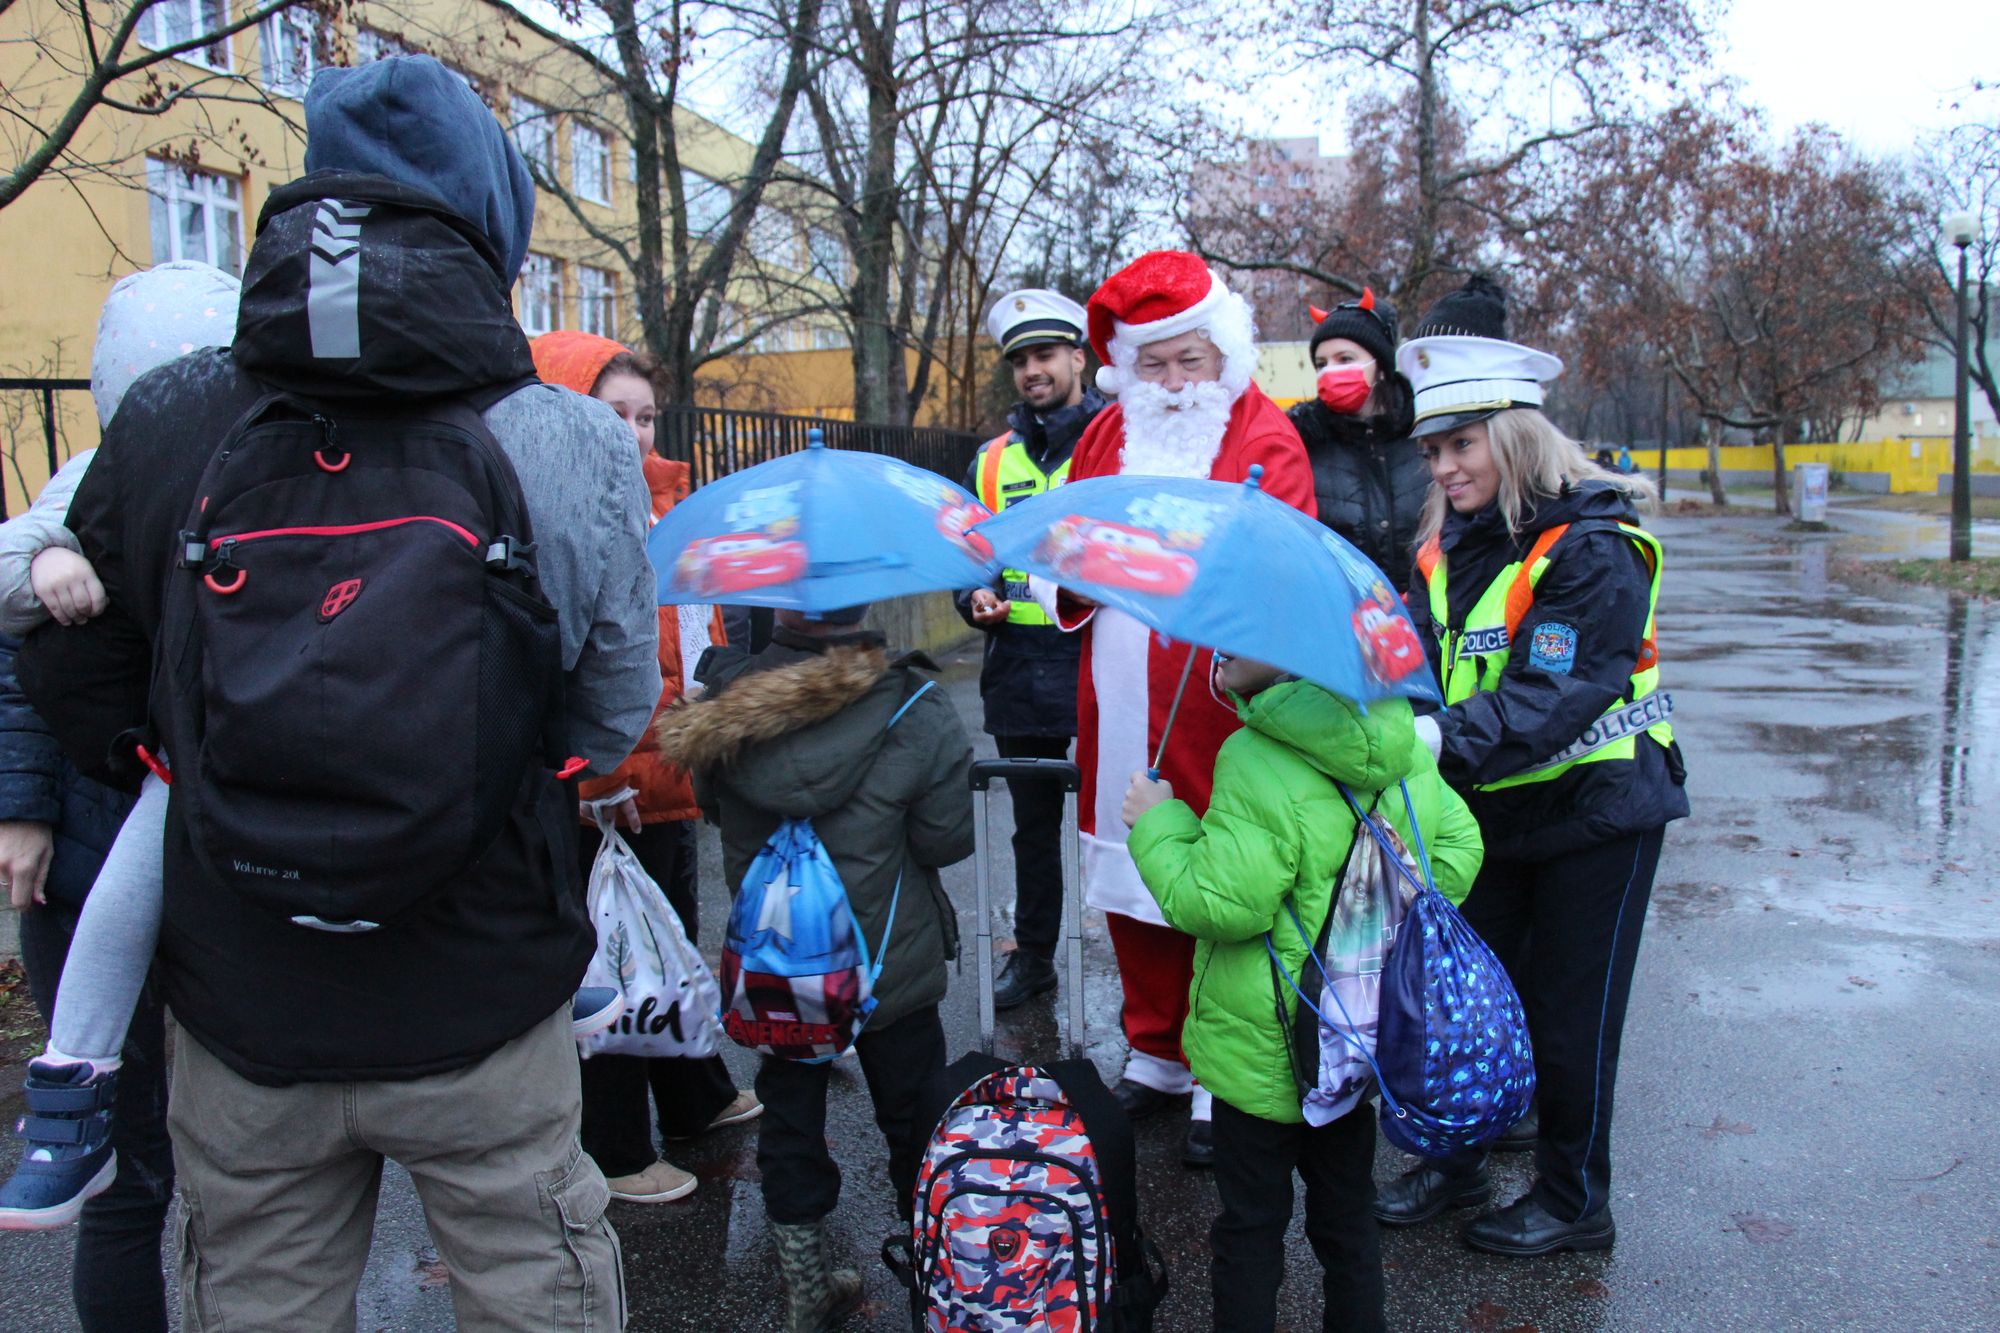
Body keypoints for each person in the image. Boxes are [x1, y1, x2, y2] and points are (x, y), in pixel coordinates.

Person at [18, 56, 658, 1328]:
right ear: (492, 229)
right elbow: (606, 715)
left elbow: (65, 650)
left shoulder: (174, 413)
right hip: (481, 989)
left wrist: (192, 761)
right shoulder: (566, 436)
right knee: (536, 1291)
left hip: (245, 1007)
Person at [1373, 276, 1690, 1257]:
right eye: (1431, 450)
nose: (1444, 466)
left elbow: (1557, 696)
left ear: (1512, 436)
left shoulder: (1591, 544)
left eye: (1460, 445)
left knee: (1568, 1019)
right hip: (1494, 812)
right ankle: (1461, 1160)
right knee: (1463, 1002)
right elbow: (1419, 653)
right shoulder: (1445, 542)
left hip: (1598, 813)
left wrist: (1429, 743)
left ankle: (1571, 1197)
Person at [1038, 250, 1315, 1167]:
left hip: (1220, 698)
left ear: (1221, 354)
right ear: (1125, 367)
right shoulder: (1102, 434)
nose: (1171, 381)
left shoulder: (1263, 434)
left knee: (1224, 878)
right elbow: (1061, 549)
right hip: (1117, 690)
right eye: (1152, 364)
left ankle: (1218, 1067)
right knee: (1129, 865)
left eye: (1188, 360)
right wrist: (1077, 572)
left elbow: (1287, 560)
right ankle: (1155, 1044)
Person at [0, 261, 237, 1326]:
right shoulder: (87, 484)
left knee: (246, 1157)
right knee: (128, 1161)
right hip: (105, 824)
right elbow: (16, 648)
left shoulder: (262, 470)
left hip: (218, 829)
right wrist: (22, 803)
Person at [1120, 653, 1483, 1332]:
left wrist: (1158, 821)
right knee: (1347, 1218)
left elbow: (1222, 903)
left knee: (1251, 1229)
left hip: (1263, 1045)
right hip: (1361, 1040)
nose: (1219, 649)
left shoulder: (1256, 757)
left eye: (1239, 637)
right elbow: (1461, 847)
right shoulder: (1399, 739)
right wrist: (1377, 923)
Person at [657, 605, 973, 1333]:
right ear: (862, 598)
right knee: (915, 1112)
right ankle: (939, 1281)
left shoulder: (721, 714)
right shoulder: (913, 705)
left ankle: (805, 1281)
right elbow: (946, 837)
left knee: (790, 1106)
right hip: (887, 958)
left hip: (779, 965)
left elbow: (712, 807)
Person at [530, 329, 762, 1206]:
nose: (632, 432)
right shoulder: (566, 512)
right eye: (611, 413)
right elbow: (576, 666)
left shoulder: (667, 503)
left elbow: (698, 629)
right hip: (608, 788)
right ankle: (616, 1146)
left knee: (664, 943)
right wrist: (594, 784)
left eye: (644, 415)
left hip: (668, 770)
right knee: (616, 962)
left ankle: (694, 1095)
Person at [953, 287, 1104, 1010]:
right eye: (1020, 360)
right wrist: (972, 596)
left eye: (1045, 354)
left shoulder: (1114, 444)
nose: (1032, 369)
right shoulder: (991, 461)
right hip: (1019, 668)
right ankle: (1036, 956)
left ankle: (1154, 963)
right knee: (1034, 833)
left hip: (1104, 662)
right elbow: (970, 552)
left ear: (1079, 356)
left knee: (1131, 821)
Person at [1287, 289, 1429, 592]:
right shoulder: (1303, 443)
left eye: (1345, 359)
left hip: (1426, 619)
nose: (1330, 372)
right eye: (1322, 363)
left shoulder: (1427, 436)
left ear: (1379, 366)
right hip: (1345, 619)